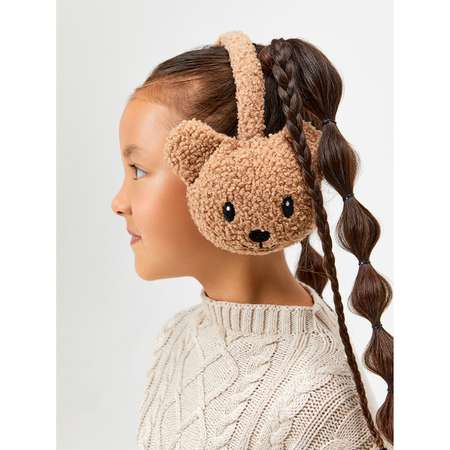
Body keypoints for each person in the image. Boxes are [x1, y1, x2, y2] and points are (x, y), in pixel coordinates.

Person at [111, 31, 393, 450]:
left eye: (138, 170)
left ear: (239, 176)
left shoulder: (319, 399)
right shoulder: (178, 338)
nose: (118, 203)